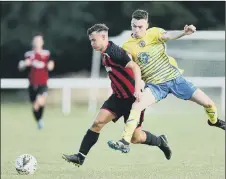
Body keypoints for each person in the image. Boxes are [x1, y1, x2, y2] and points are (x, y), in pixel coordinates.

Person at [108, 9, 225, 153]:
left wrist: (184, 32)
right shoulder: (127, 45)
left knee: (209, 104)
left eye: (140, 27)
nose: (136, 29)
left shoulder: (154, 33)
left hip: (175, 79)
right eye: (134, 26)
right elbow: (131, 66)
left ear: (147, 26)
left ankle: (214, 122)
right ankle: (124, 141)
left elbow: (169, 35)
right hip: (155, 86)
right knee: (136, 106)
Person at [62, 24, 172, 167]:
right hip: (118, 97)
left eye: (94, 40)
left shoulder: (115, 52)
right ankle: (80, 156)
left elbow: (135, 67)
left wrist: (138, 89)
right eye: (90, 40)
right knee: (97, 123)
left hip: (133, 99)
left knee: (135, 138)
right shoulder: (104, 54)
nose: (92, 43)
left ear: (103, 37)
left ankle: (160, 141)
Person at [18, 33, 54, 129]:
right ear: (33, 43)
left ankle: (40, 121)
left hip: (43, 83)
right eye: (36, 41)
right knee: (35, 106)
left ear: (42, 42)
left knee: (40, 101)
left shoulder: (46, 54)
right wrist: (24, 64)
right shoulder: (28, 55)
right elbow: (20, 66)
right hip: (32, 83)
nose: (38, 43)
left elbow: (51, 63)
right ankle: (39, 121)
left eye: (39, 41)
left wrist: (50, 66)